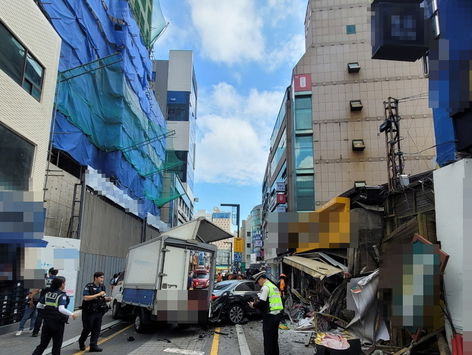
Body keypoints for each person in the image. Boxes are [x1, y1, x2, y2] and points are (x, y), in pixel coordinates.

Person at [32, 277, 77, 355]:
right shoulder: (61, 295)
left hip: (47, 323)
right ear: (61, 284)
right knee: (56, 345)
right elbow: (61, 309)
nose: (65, 284)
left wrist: (46, 313)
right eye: (64, 283)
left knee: (42, 345)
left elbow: (39, 306)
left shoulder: (48, 294)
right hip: (57, 323)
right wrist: (72, 314)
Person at [248, 271, 284, 355]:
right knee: (274, 338)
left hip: (270, 317)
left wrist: (253, 305)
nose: (258, 284)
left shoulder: (265, 287)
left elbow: (262, 302)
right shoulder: (274, 286)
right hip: (277, 315)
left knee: (268, 339)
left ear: (261, 279)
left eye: (258, 281)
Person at [78, 272, 111, 352]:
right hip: (89, 311)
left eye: (103, 278)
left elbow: (101, 298)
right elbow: (85, 298)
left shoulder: (102, 286)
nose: (102, 279)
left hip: (99, 311)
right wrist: (98, 294)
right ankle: (81, 341)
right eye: (101, 277)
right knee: (87, 328)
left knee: (97, 329)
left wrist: (107, 299)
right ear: (96, 278)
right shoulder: (89, 286)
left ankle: (93, 345)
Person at [32, 267, 58, 337]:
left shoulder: (45, 280)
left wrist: (31, 296)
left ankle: (35, 332)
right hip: (53, 302)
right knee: (50, 317)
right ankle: (48, 332)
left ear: (49, 273)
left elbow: (38, 290)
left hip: (42, 301)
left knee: (39, 316)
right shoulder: (58, 281)